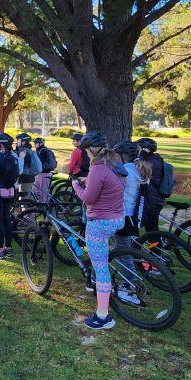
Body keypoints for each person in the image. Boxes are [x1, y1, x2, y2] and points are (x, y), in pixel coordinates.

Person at [71, 131, 127, 330]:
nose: (85, 154)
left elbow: (88, 199)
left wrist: (76, 186)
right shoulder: (114, 165)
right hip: (117, 219)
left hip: (100, 223)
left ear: (92, 150)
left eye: (86, 151)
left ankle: (103, 317)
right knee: (102, 260)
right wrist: (88, 181)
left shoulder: (97, 168)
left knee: (101, 267)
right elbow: (108, 184)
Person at [111, 141, 152, 250]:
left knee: (123, 251)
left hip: (124, 215)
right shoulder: (140, 169)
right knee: (132, 248)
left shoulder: (125, 171)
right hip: (135, 214)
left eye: (116, 155)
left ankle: (130, 267)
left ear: (122, 156)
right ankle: (137, 264)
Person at [136, 137, 167, 233]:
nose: (136, 150)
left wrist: (141, 157)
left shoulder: (152, 163)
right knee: (152, 228)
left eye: (138, 149)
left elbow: (138, 169)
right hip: (156, 199)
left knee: (151, 230)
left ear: (145, 150)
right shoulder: (154, 160)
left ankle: (155, 247)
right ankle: (157, 246)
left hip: (153, 200)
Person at [33, 137, 57, 202]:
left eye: (36, 143)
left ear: (41, 144)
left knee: (43, 193)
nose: (34, 145)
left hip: (44, 174)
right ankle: (42, 204)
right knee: (34, 190)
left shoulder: (43, 151)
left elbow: (40, 163)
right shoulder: (41, 151)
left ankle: (45, 207)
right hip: (41, 174)